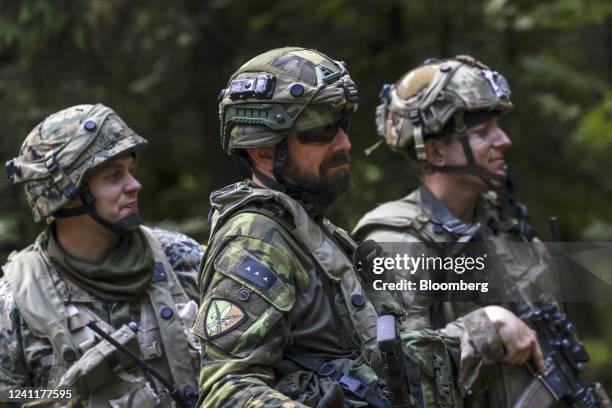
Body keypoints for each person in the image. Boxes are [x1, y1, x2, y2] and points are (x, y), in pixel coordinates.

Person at [192, 47, 463, 407]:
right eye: (320, 131)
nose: (345, 144)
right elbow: (226, 391)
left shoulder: (312, 232)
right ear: (263, 151)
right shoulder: (255, 240)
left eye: (342, 126)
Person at [352, 55, 611, 407]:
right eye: (482, 133)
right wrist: (484, 328)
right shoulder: (397, 238)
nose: (503, 141)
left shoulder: (501, 223)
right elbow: (391, 375)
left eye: (498, 127)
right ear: (436, 151)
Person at [1, 104, 203, 407]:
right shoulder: (16, 302)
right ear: (66, 196)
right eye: (113, 176)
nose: (134, 185)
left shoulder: (181, 259)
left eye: (130, 171)